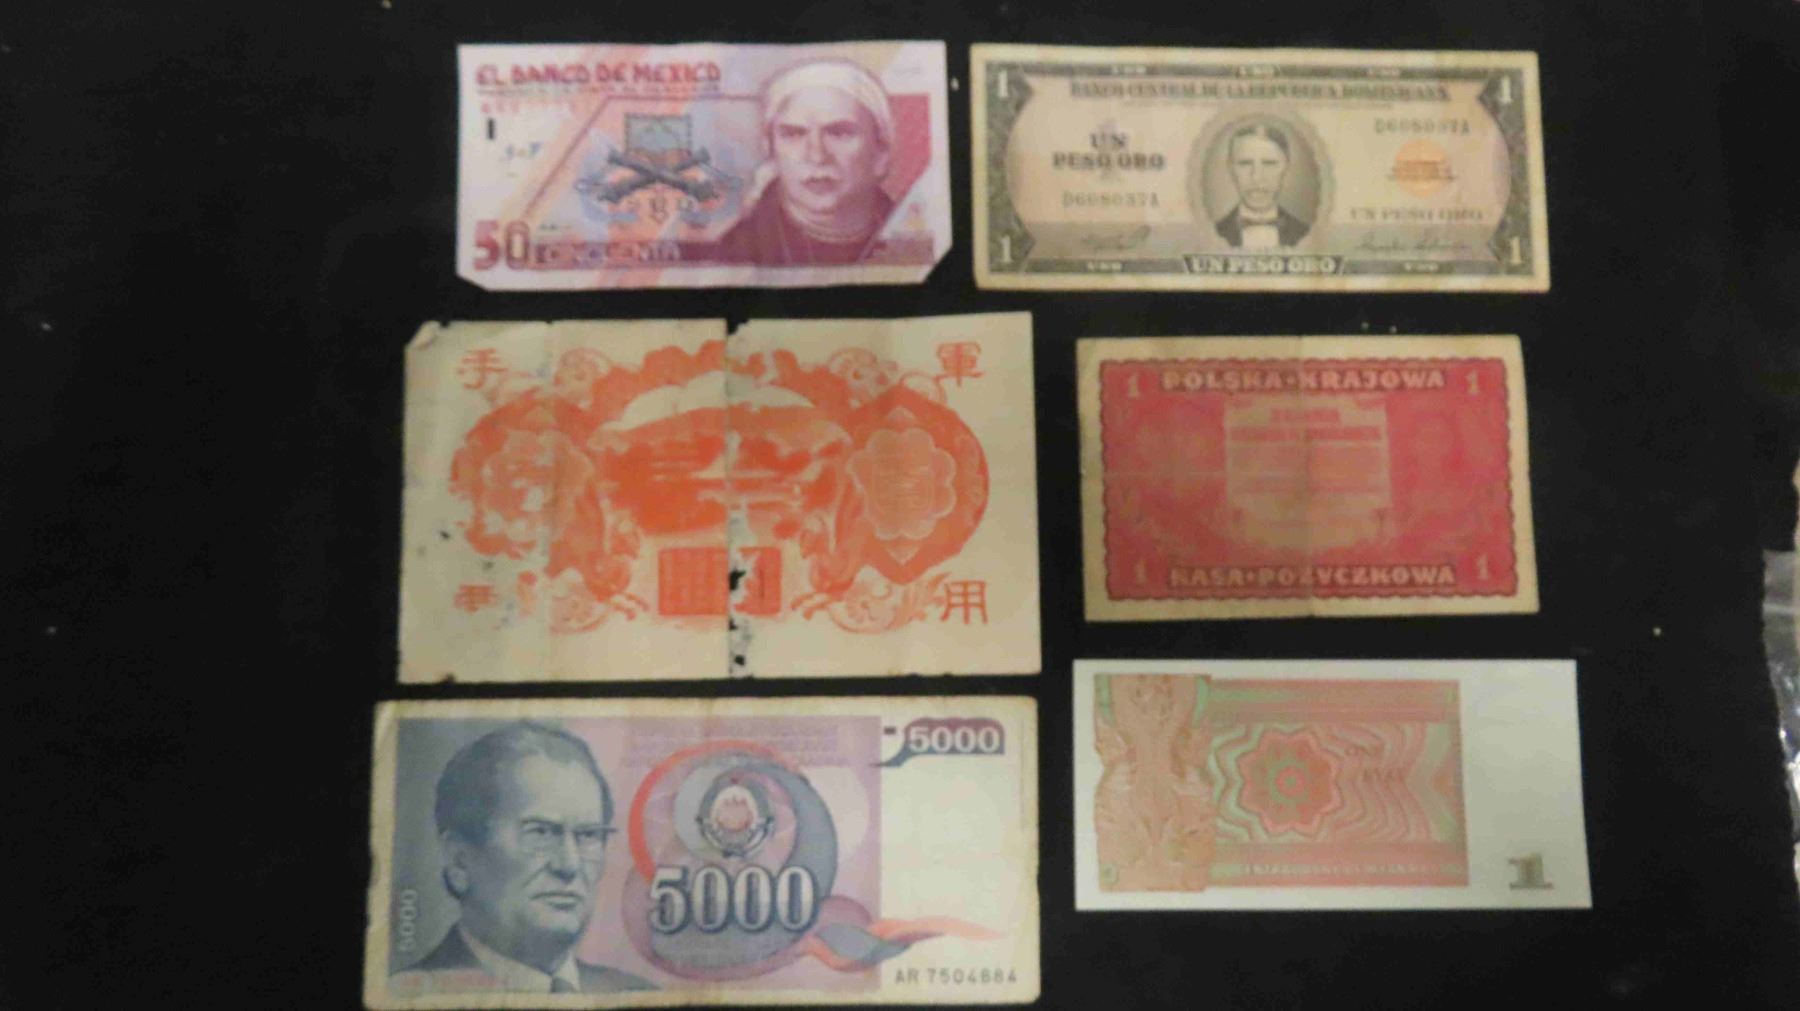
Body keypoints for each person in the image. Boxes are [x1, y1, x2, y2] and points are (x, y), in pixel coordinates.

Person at [401, 723, 654, 994]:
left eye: (588, 835)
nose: (569, 865)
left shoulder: (640, 996)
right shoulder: (406, 995)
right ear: (459, 860)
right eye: (540, 833)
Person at [715, 60, 896, 265]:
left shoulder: (912, 234)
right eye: (794, 134)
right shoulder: (736, 254)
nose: (817, 156)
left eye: (839, 133)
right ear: (771, 152)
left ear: (881, 151)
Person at [1213, 123, 1312, 249]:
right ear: (1231, 168)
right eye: (1245, 163)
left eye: (1269, 163)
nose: (1257, 178)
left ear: (1286, 166)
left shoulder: (1306, 233)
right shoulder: (1213, 233)